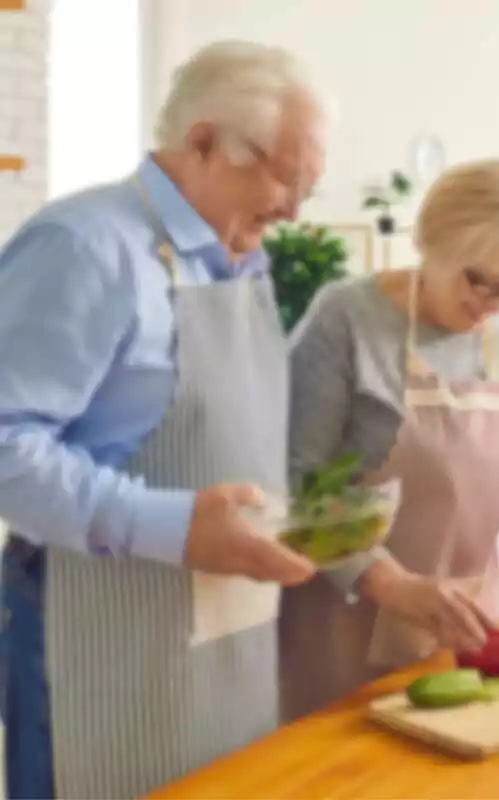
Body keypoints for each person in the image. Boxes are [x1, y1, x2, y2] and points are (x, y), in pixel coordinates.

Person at [0, 40, 328, 799]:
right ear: (204, 141)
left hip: (220, 623)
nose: (294, 210)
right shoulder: (84, 246)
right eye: (286, 176)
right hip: (89, 622)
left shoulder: (238, 258)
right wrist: (175, 525)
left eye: (310, 186)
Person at [279, 158, 499, 721]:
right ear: (431, 242)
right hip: (349, 627)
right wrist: (393, 586)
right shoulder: (346, 318)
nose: (494, 304)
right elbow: (300, 488)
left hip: (467, 631)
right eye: (480, 280)